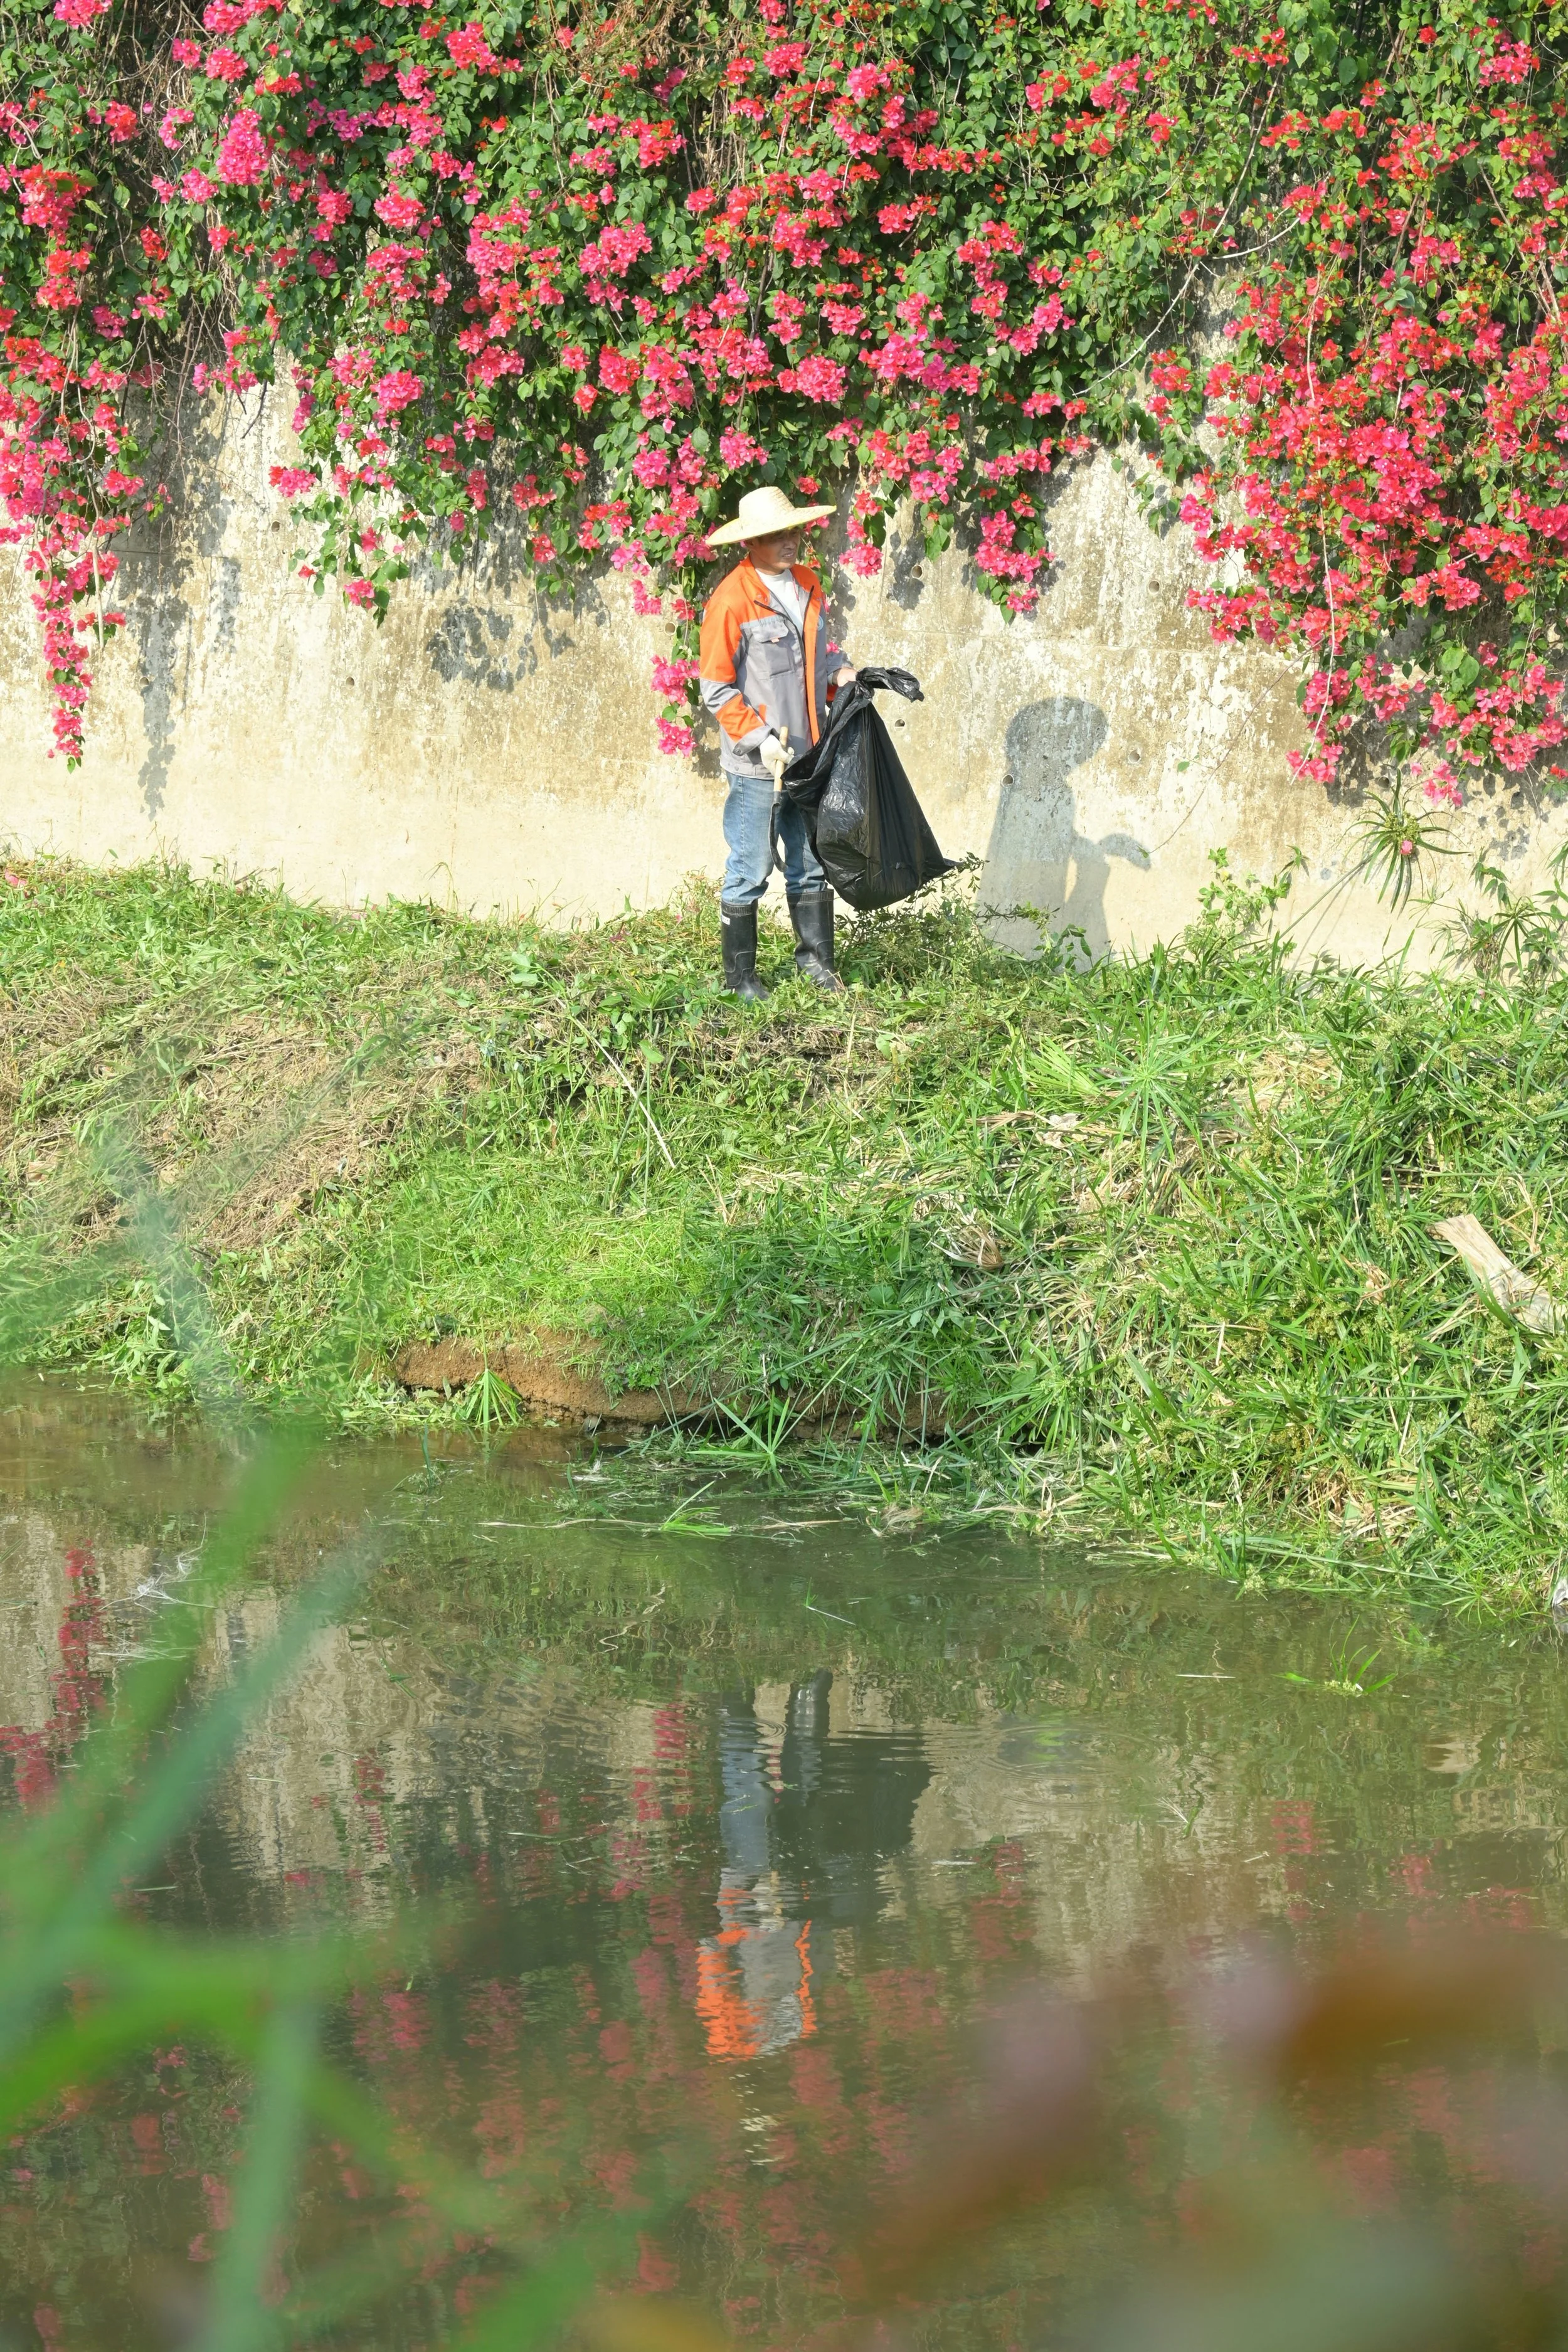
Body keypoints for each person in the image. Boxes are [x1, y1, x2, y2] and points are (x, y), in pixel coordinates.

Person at [698, 485, 857, 999]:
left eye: (792, 530)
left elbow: (817, 656)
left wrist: (841, 671)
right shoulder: (730, 602)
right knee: (752, 867)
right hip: (757, 767)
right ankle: (740, 979)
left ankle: (816, 966)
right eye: (775, 535)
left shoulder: (808, 584)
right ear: (751, 543)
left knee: (810, 861)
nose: (789, 541)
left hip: (808, 757)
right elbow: (717, 687)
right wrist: (760, 739)